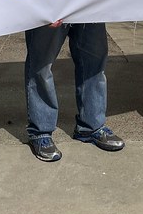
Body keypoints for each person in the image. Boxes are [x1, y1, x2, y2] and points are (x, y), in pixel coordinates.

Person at [24, 22, 124, 161]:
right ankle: (41, 132)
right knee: (41, 64)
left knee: (94, 59)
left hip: (87, 2)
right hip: (51, 2)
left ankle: (91, 126)